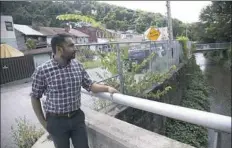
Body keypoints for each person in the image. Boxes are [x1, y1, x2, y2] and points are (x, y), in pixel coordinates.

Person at [30, 33, 119, 148]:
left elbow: (90, 85)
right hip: (56, 121)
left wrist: (107, 88)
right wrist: (44, 123)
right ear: (59, 49)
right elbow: (35, 97)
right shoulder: (42, 70)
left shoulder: (78, 66)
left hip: (77, 117)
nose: (75, 48)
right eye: (71, 45)